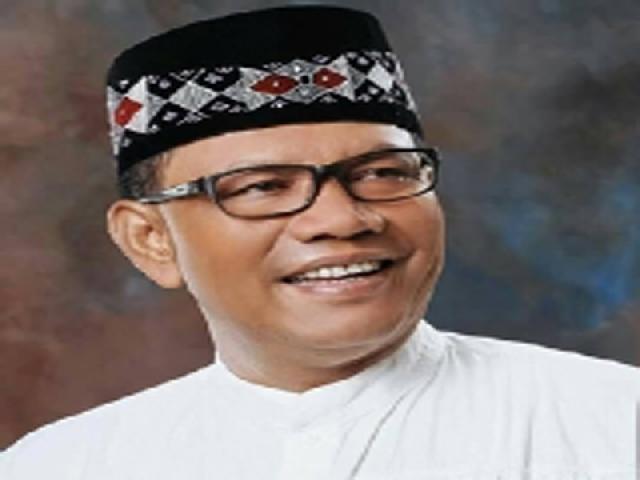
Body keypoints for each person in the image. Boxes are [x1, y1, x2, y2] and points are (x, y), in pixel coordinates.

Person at [1, 5, 638, 479]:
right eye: (262, 187)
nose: (341, 218)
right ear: (150, 240)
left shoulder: (612, 424)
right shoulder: (61, 466)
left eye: (382, 173)